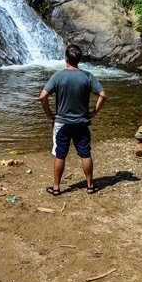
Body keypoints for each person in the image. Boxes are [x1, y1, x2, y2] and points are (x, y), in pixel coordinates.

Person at [39, 43, 107, 196]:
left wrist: (49, 114)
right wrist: (94, 112)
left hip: (62, 123)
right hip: (82, 123)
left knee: (60, 154)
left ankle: (56, 188)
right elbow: (103, 95)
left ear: (66, 59)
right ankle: (90, 186)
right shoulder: (87, 76)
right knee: (85, 154)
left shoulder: (58, 76)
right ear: (79, 60)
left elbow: (42, 96)